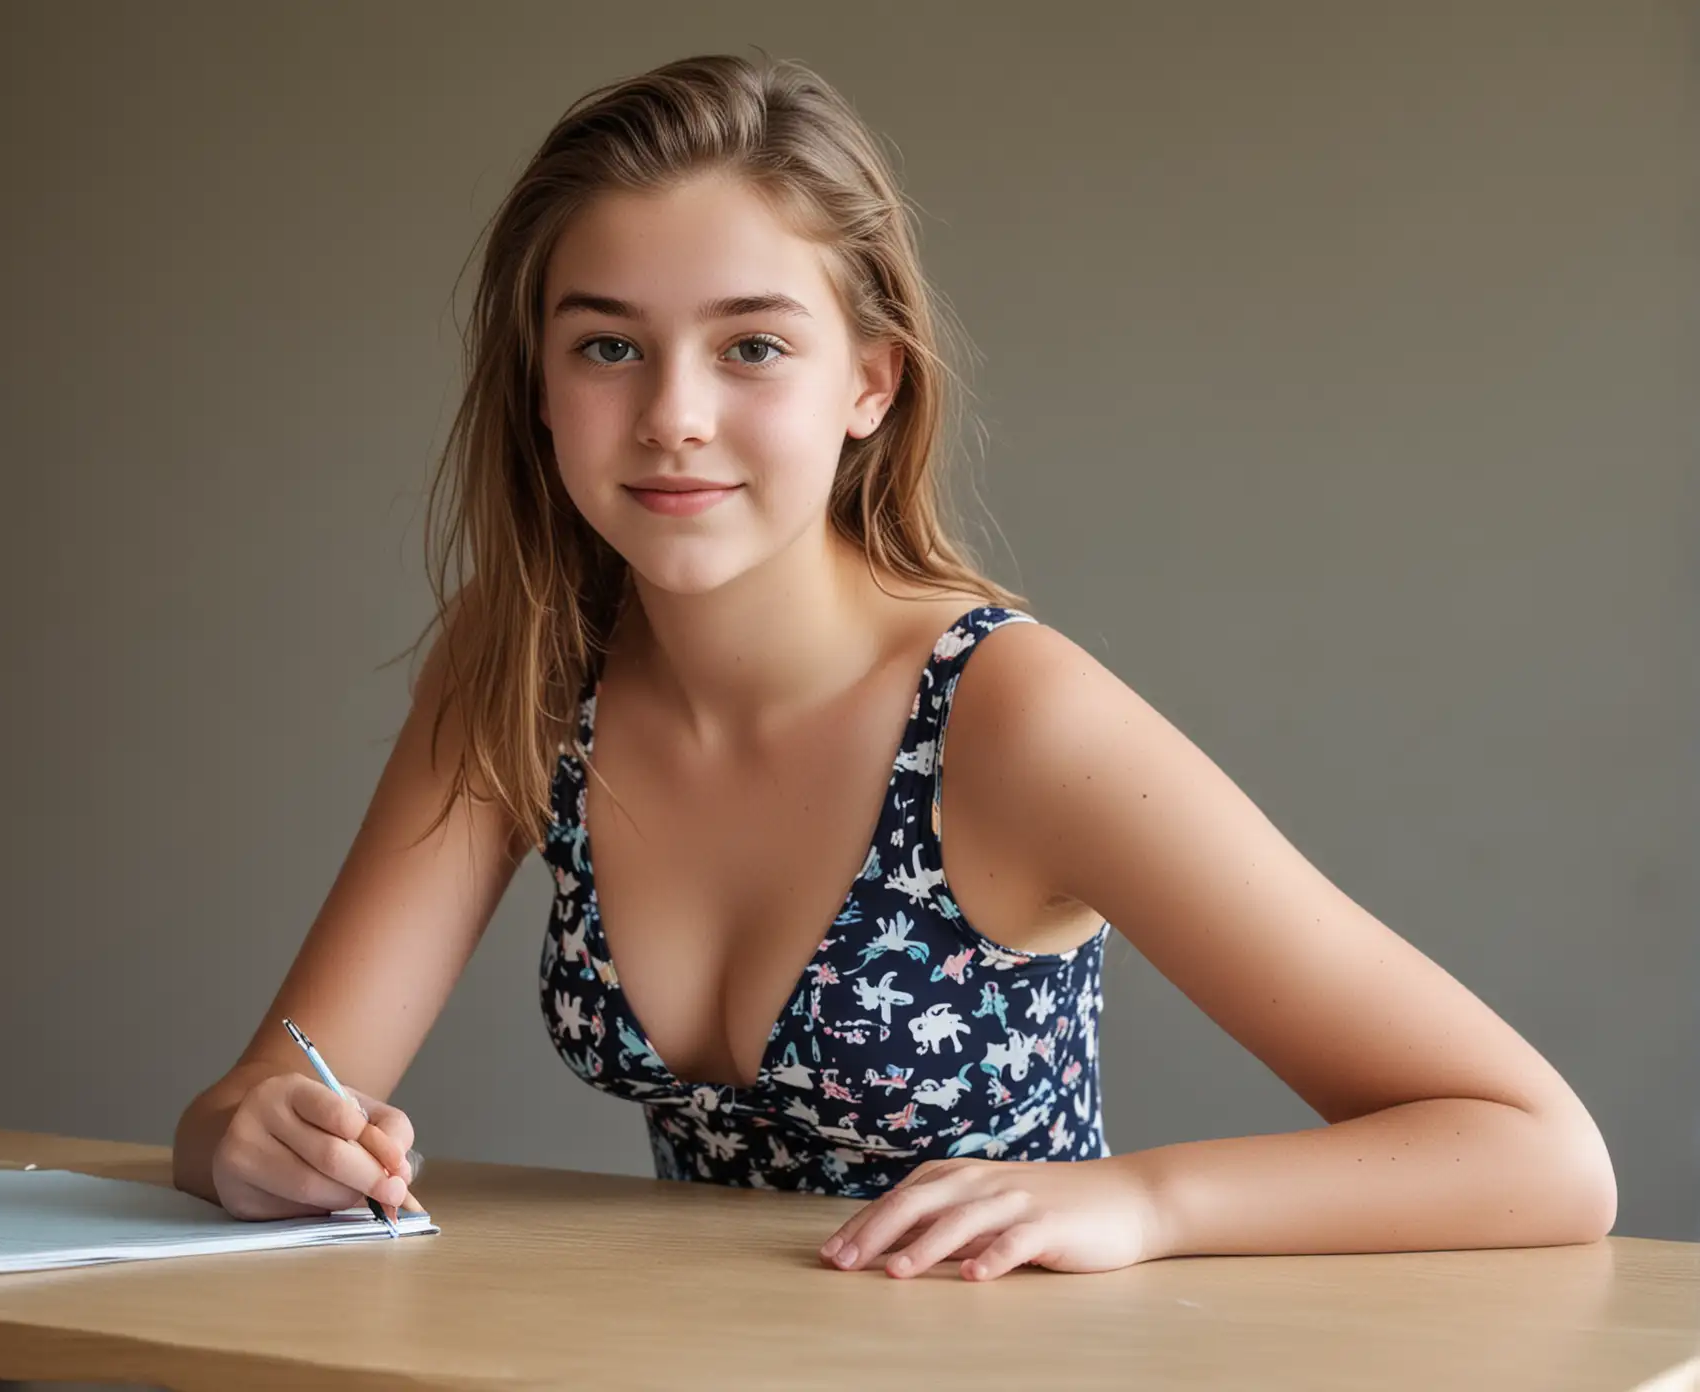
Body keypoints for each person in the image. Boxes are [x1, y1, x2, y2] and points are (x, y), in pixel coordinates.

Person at [172, 52, 1616, 1282]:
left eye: (751, 347)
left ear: (871, 381)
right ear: (540, 387)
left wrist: (1147, 1203)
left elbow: (1541, 1155)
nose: (673, 417)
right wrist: (254, 1139)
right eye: (608, 346)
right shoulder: (526, 664)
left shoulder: (1011, 716)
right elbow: (276, 1089)